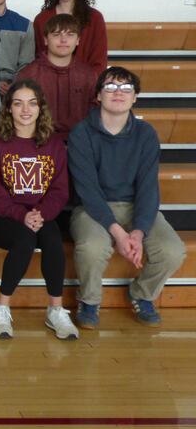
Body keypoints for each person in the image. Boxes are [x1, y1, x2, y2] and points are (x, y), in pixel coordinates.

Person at [68, 66, 185, 329]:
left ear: (135, 97)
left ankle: (141, 294)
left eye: (126, 88)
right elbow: (87, 190)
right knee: (92, 247)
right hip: (92, 208)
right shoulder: (81, 133)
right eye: (110, 87)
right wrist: (119, 234)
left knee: (173, 251)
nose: (117, 93)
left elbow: (148, 188)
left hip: (136, 208)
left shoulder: (146, 134)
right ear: (98, 95)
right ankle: (89, 301)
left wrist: (139, 233)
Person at [0, 79, 78, 340]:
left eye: (32, 103)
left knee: (53, 240)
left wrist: (40, 214)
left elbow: (59, 190)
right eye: (18, 103)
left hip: (40, 213)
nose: (25, 110)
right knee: (24, 239)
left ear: (40, 108)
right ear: (8, 108)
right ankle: (1, 307)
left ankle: (55, 310)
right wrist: (21, 215)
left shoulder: (53, 144)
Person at [16, 13, 98, 140]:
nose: (63, 40)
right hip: (39, 142)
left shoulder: (88, 75)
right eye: (56, 34)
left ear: (78, 40)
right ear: (45, 40)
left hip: (80, 143)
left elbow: (96, 116)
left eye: (70, 35)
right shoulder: (28, 75)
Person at [33, 0, 107, 75]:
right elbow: (38, 58)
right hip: (49, 83)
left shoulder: (95, 18)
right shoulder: (41, 19)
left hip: (85, 86)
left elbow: (99, 62)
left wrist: (85, 83)